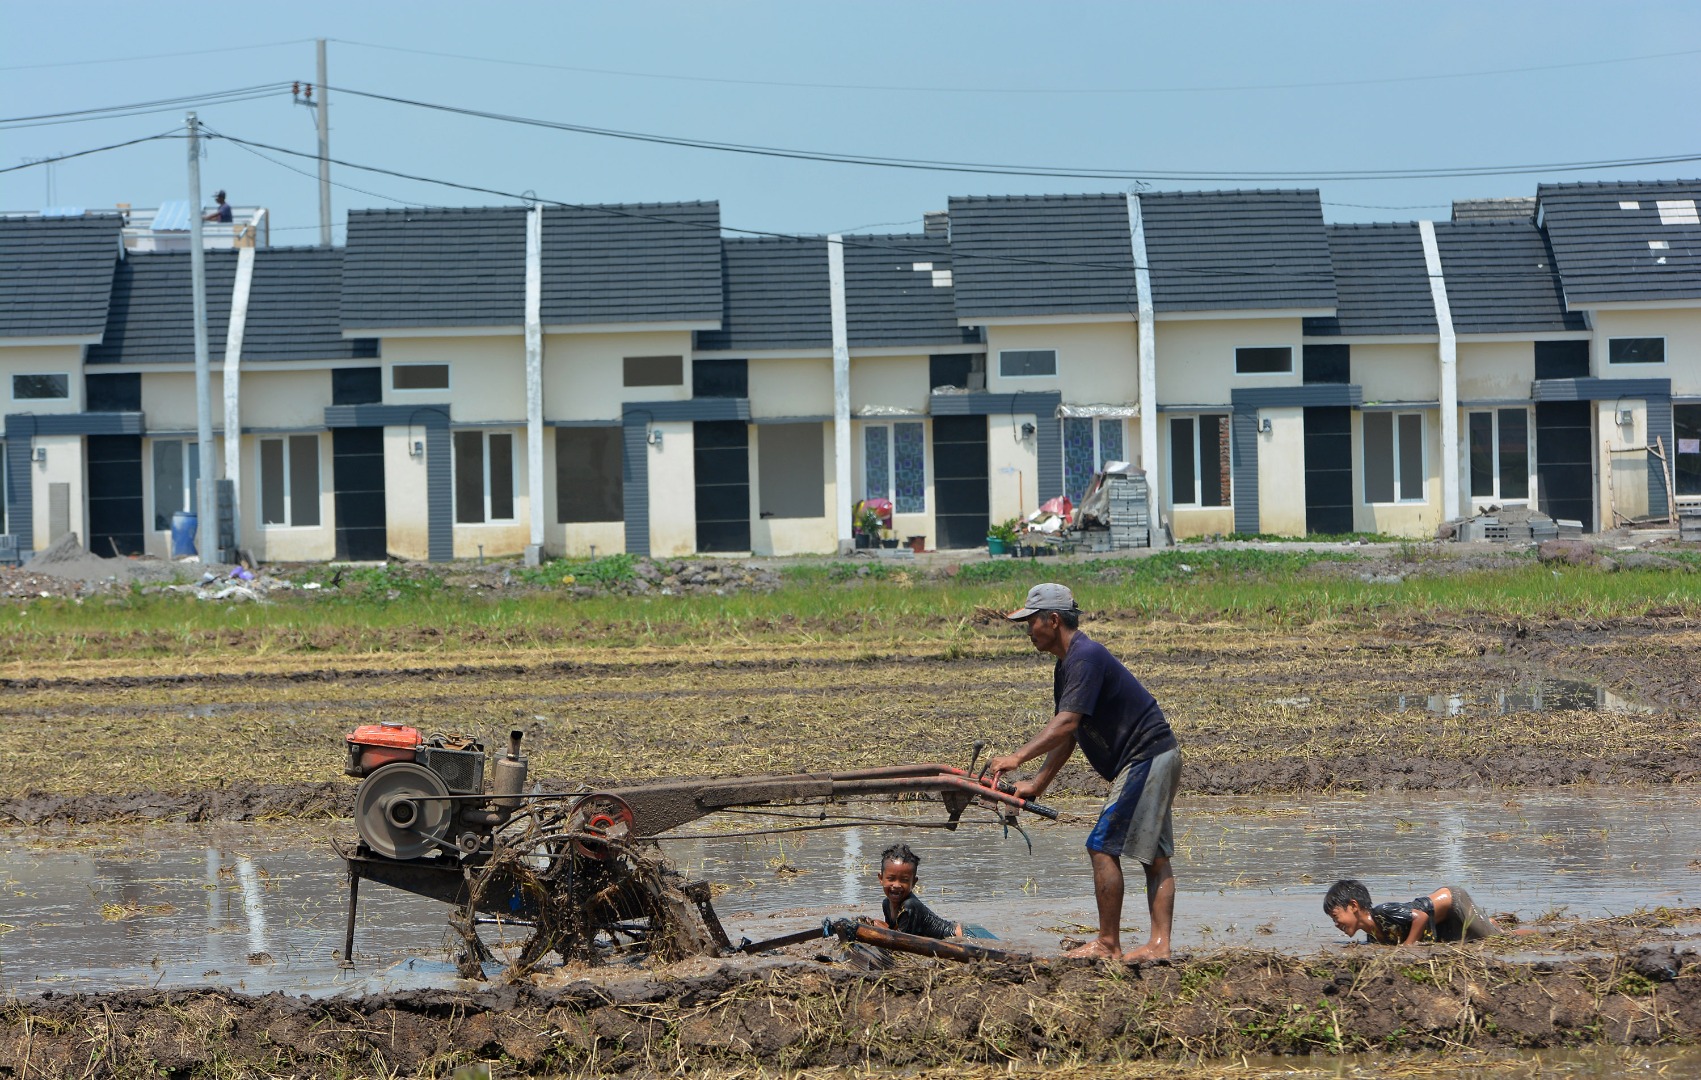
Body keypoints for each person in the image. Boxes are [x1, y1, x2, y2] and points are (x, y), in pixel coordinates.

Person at [988, 583, 1182, 962]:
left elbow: (1064, 724)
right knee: (1154, 858)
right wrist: (1038, 784)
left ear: (1053, 619)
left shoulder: (1085, 657)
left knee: (1101, 845)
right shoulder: (1068, 665)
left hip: (1146, 756)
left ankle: (1108, 944)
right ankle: (1160, 947)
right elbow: (1072, 731)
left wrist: (1017, 758)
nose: (1028, 631)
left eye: (1031, 622)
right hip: (1156, 756)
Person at [1323, 879, 1528, 945]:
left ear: (1354, 906)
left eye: (1335, 916)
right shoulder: (1373, 937)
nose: (1336, 924)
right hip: (1440, 921)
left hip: (1453, 902)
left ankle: (1540, 933)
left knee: (1499, 940)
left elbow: (1419, 916)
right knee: (1474, 943)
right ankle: (1486, 921)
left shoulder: (1382, 912)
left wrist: (1408, 945)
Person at [873, 842, 962, 939]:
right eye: (891, 879)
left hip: (965, 934)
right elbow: (892, 931)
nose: (897, 885)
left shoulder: (909, 906)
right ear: (881, 878)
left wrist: (876, 927)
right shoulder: (886, 904)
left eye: (904, 880)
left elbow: (900, 941)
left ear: (914, 882)